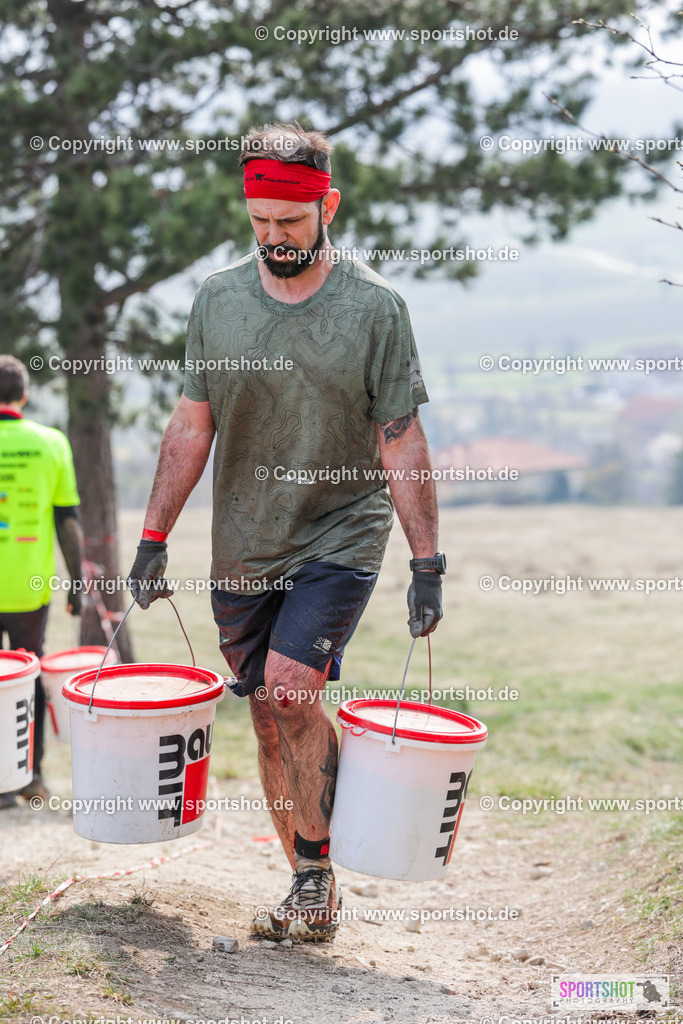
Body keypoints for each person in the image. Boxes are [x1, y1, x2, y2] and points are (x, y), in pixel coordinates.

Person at [128, 122, 445, 943]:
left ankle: (314, 872)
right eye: (260, 223)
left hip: (340, 528)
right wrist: (153, 537)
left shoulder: (376, 309)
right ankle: (310, 873)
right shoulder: (216, 300)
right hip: (243, 540)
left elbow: (400, 436)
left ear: (327, 207)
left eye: (290, 225)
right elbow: (191, 424)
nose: (274, 239)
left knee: (292, 691)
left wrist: (426, 559)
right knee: (266, 714)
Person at [0, 355, 83, 808]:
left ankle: (0, 782)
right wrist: (78, 583)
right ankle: (30, 776)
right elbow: (67, 520)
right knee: (27, 672)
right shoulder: (51, 443)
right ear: (24, 396)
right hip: (29, 588)